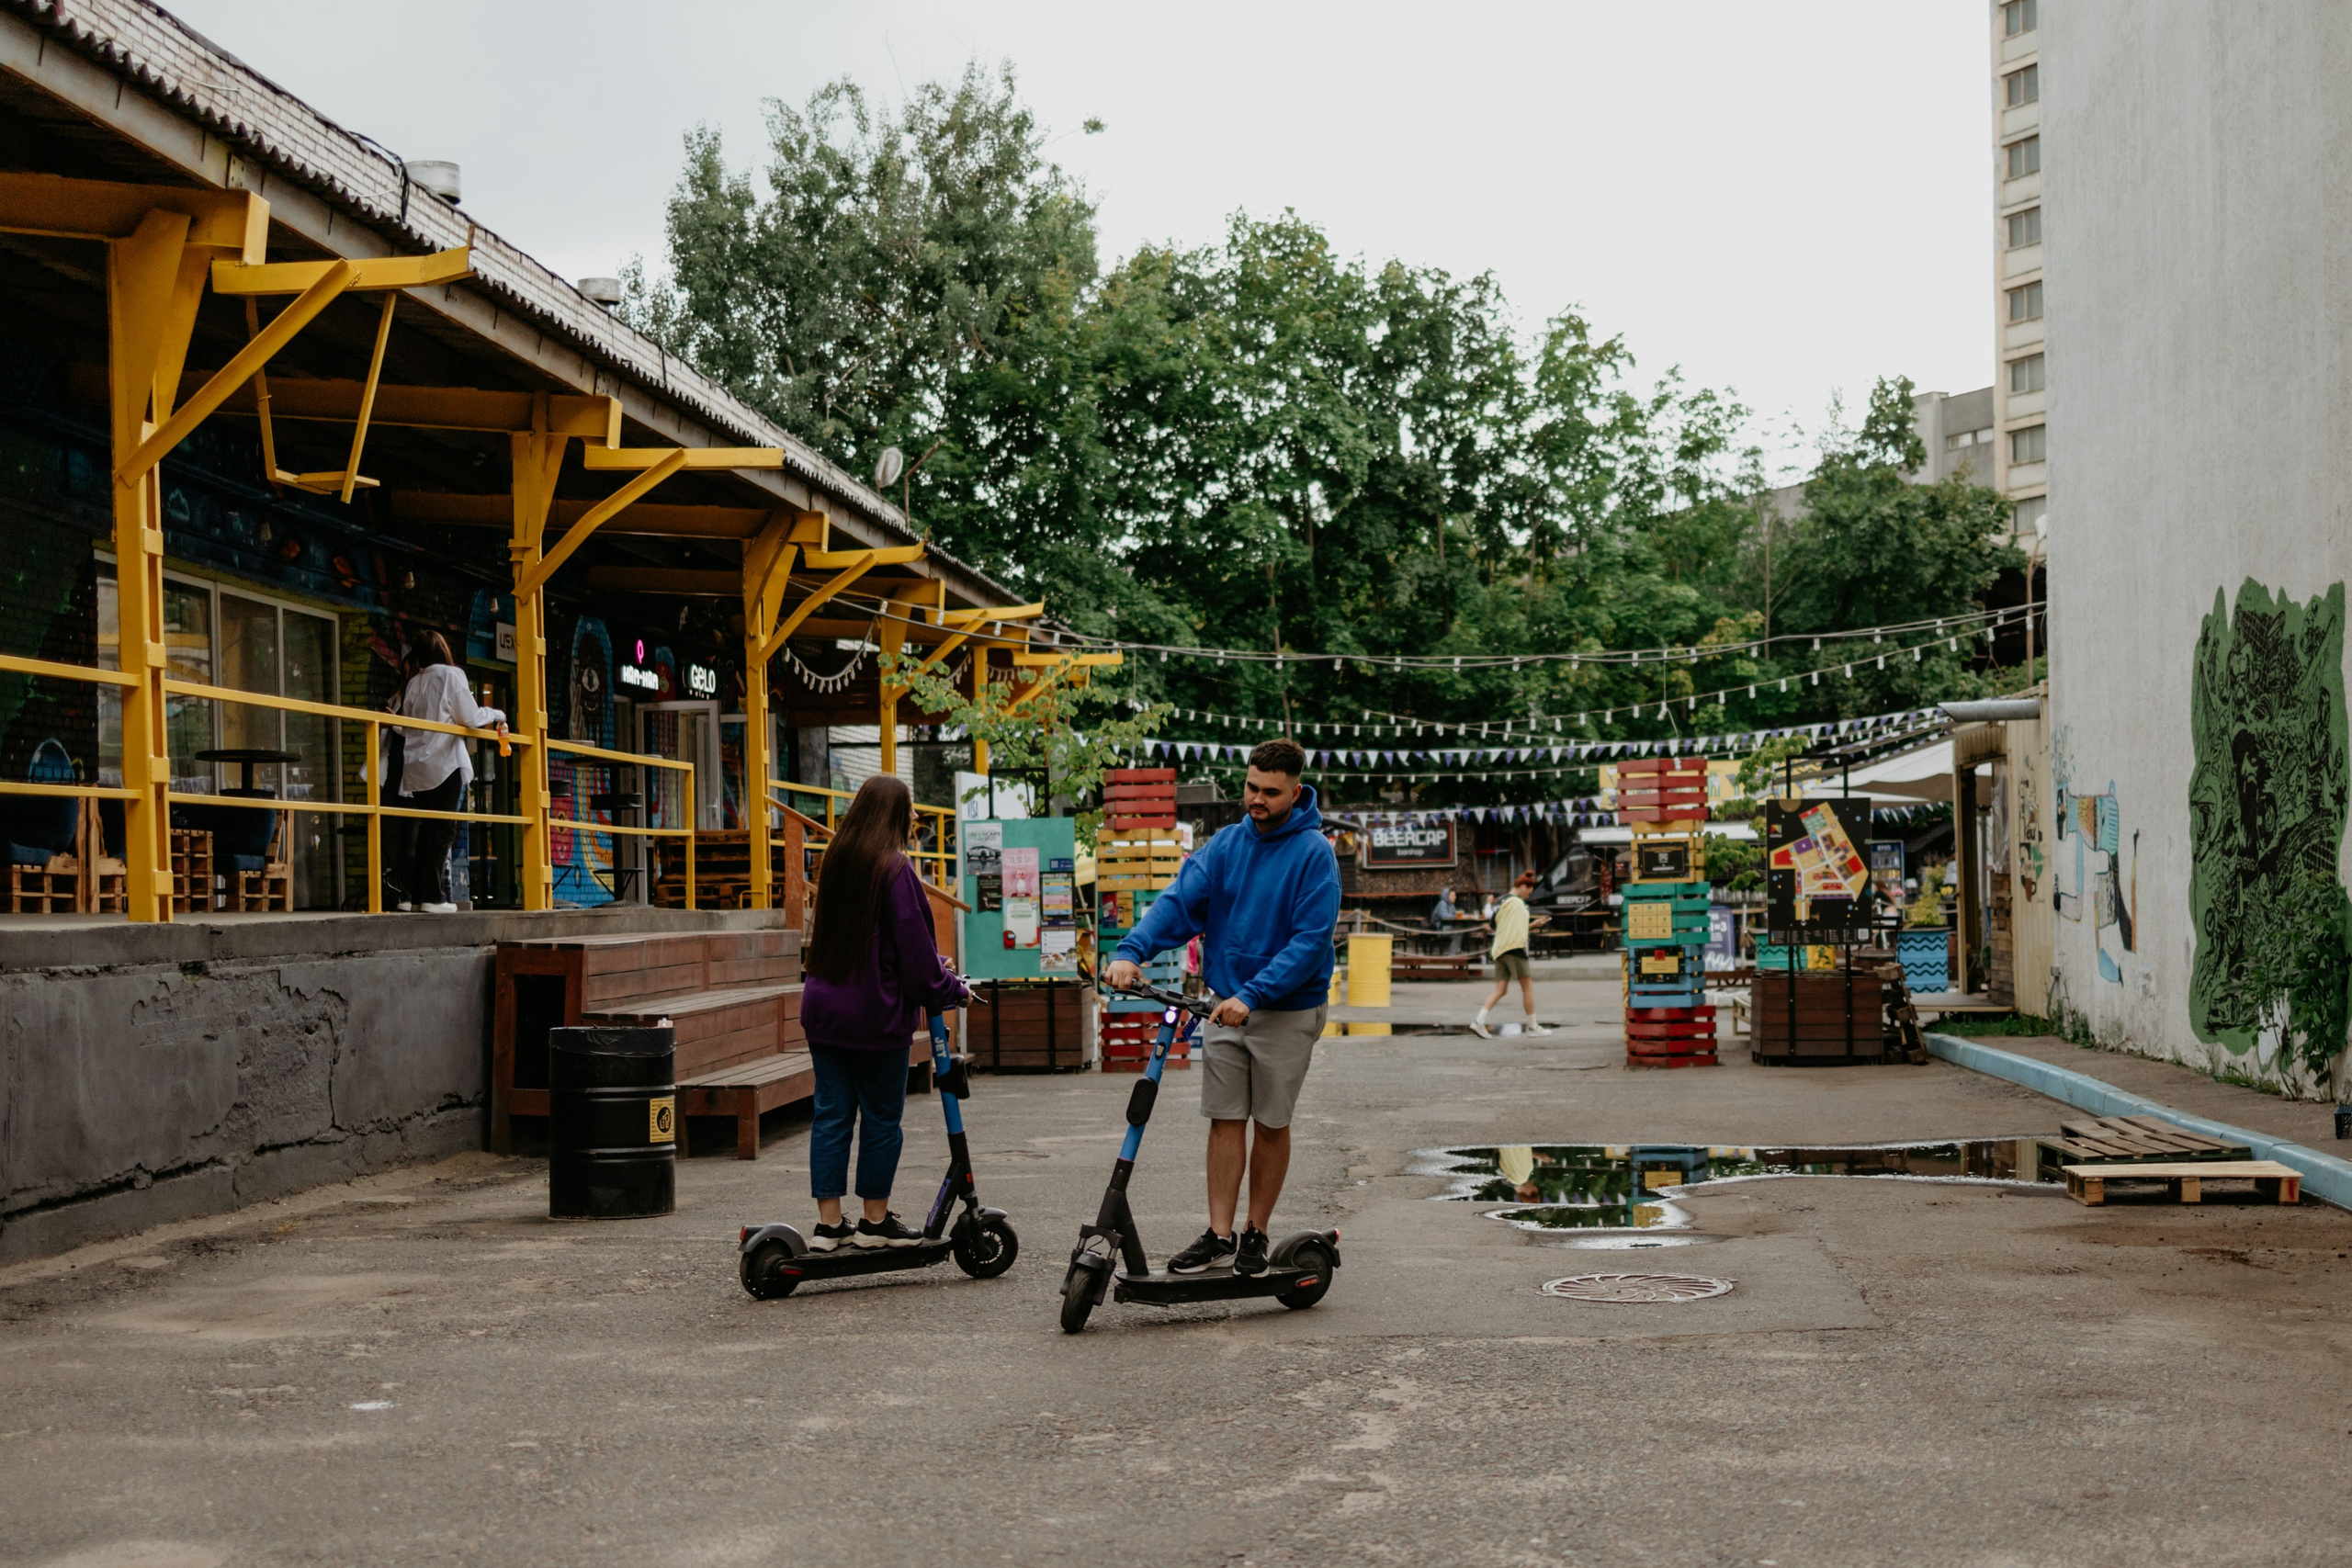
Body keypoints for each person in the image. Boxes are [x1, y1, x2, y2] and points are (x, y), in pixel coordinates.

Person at [1105, 738, 1341, 1277]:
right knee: (1225, 1120)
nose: (1257, 799)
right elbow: (1178, 901)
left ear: (1296, 791)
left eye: (1270, 792)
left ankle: (1256, 1233)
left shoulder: (1314, 855)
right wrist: (1131, 950)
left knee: (1271, 1123)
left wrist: (1252, 995)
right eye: (1252, 787)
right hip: (1224, 1005)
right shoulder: (1227, 845)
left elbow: (1310, 943)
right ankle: (1219, 1236)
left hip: (1284, 1009)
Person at [799, 773, 971, 1251]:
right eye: (910, 808)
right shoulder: (896, 870)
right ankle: (874, 1222)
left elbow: (866, 940)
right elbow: (915, 960)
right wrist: (950, 987)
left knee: (831, 1115)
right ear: (893, 814)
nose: (916, 816)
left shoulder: (837, 861)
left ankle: (829, 1226)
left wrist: (933, 969)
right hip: (873, 1015)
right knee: (880, 1118)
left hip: (825, 1010)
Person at [392, 632, 503, 913]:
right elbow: (470, 717)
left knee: (428, 829)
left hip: (415, 767)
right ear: (443, 650)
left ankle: (418, 896)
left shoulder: (414, 682)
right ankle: (432, 896)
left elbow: (405, 727)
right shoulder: (451, 676)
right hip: (443, 764)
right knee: (442, 831)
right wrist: (496, 714)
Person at [1471, 869, 1551, 1038]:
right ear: (1523, 887)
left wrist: (1532, 924)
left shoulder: (1501, 902)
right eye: (1528, 892)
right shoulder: (1518, 904)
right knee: (1527, 987)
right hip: (1514, 948)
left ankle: (1479, 1021)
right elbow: (1518, 929)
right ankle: (1533, 1026)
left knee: (1500, 989)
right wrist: (1535, 925)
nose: (1528, 895)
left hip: (1499, 950)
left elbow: (1494, 927)